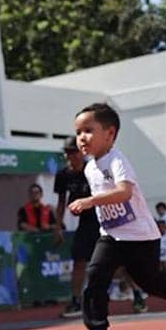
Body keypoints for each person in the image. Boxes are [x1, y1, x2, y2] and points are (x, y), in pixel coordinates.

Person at [67, 102, 166, 330]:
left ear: (110, 133)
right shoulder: (89, 167)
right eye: (78, 132)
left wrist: (90, 202)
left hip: (140, 236)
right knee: (95, 277)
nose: (81, 137)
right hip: (111, 235)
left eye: (88, 130)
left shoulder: (118, 160)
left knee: (150, 283)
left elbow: (124, 191)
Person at [54, 136, 98, 317]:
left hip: (102, 218)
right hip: (85, 222)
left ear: (81, 152)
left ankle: (137, 295)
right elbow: (61, 202)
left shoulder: (93, 170)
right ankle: (75, 301)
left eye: (73, 152)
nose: (69, 156)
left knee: (118, 262)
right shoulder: (63, 175)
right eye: (67, 152)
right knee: (79, 260)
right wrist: (58, 227)